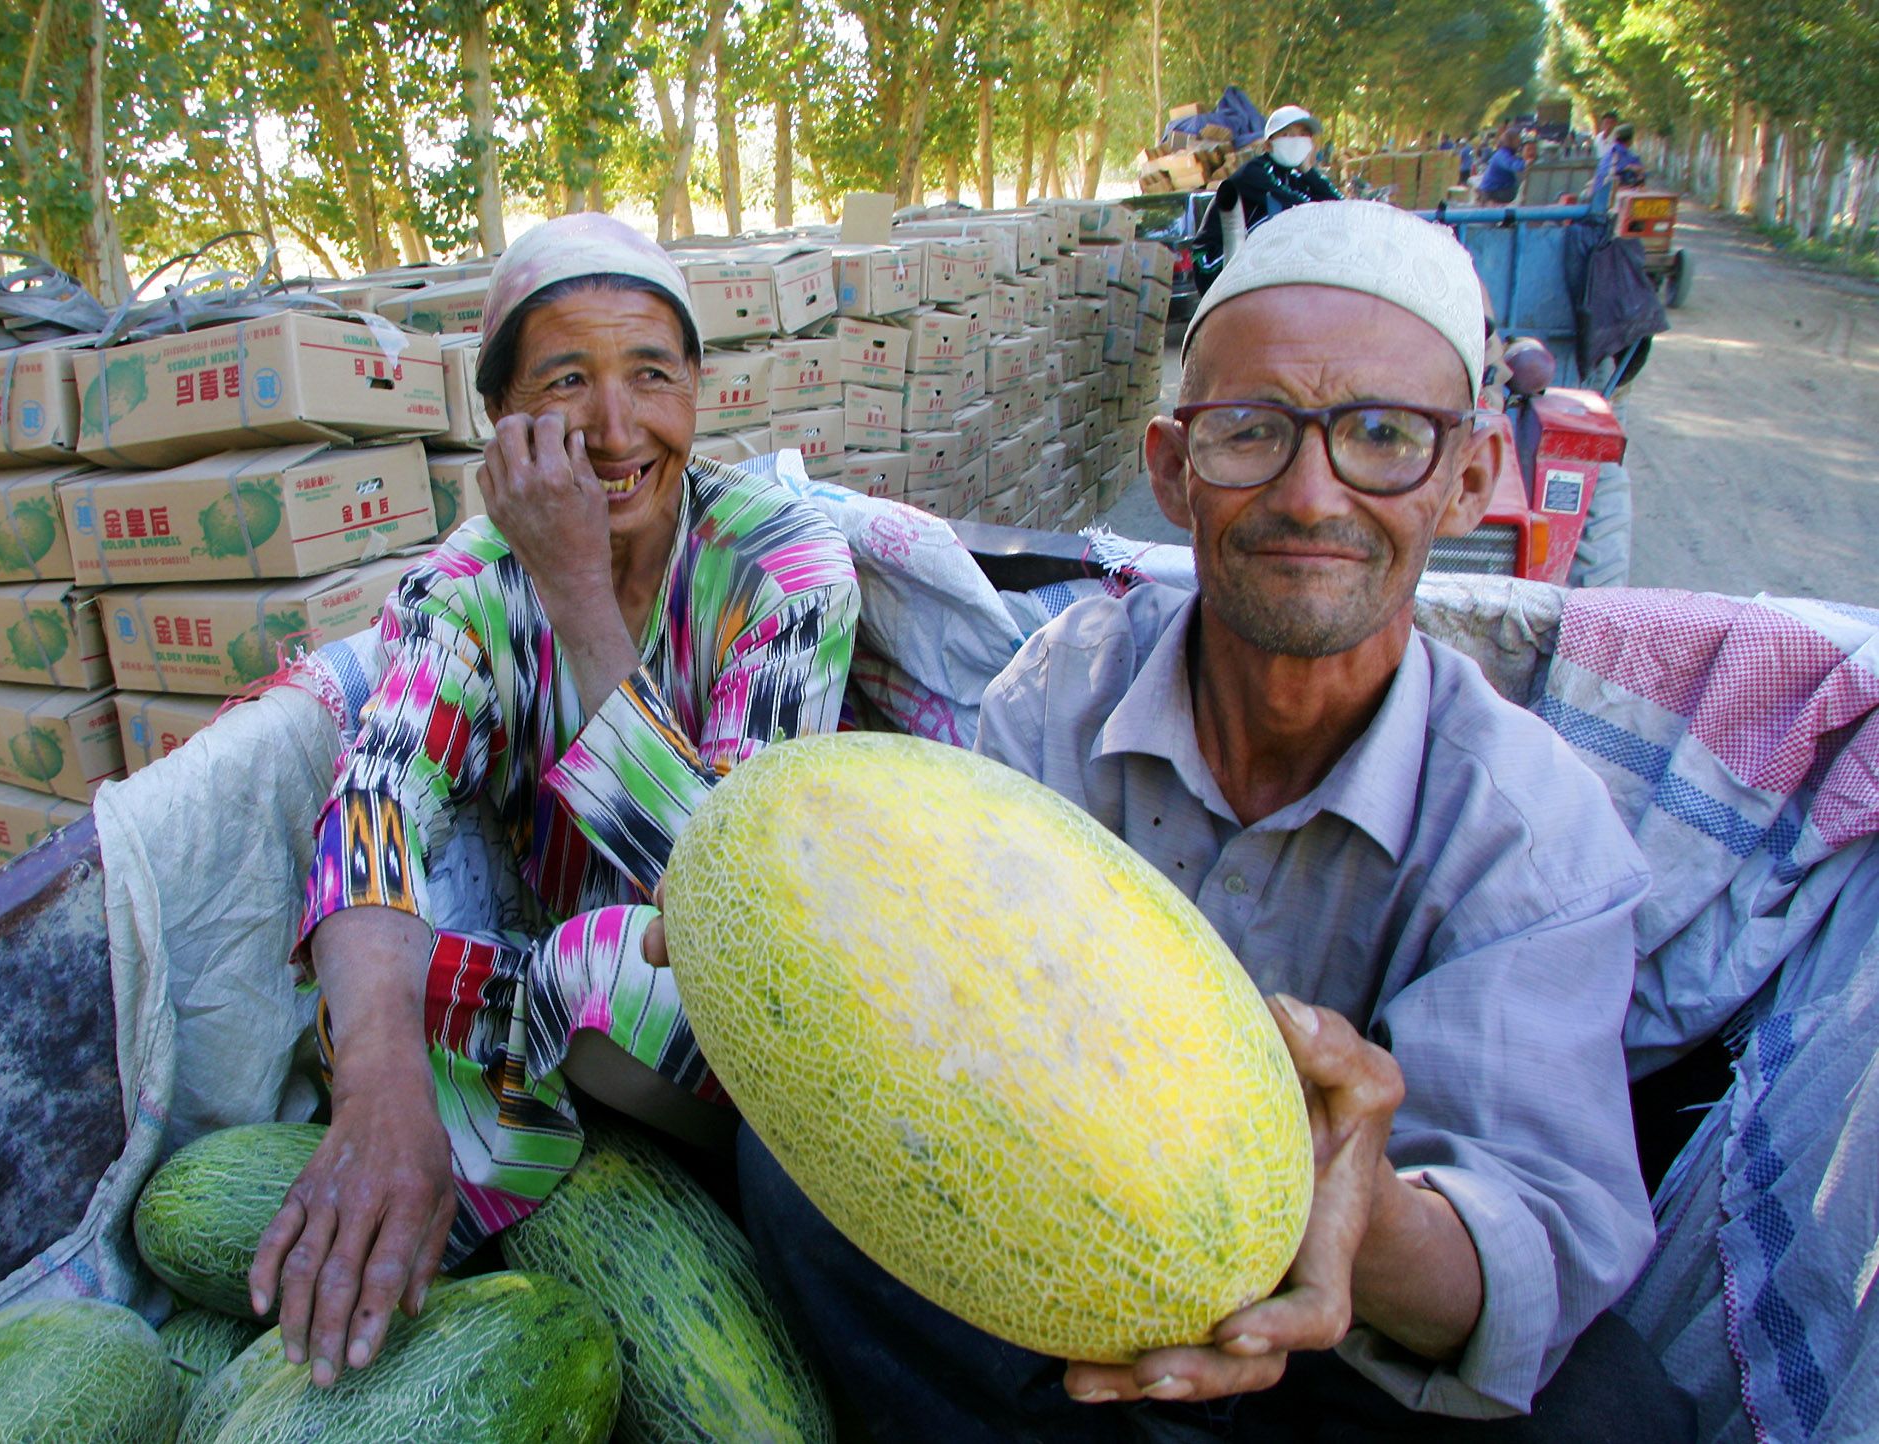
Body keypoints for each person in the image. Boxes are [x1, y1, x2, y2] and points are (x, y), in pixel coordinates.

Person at [727, 201, 1697, 1443]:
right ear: (1173, 470)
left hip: (1348, 1359)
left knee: (1614, 1417)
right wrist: (794, 942)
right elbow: (953, 1015)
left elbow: (1528, 1257)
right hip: (1065, 1290)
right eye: (1250, 432)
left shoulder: (1531, 835)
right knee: (795, 1177)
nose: (1310, 494)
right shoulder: (1059, 699)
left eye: (1384, 436)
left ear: (1471, 476)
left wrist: (1353, 1214)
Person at [249, 211, 860, 1388]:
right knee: (380, 995)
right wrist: (378, 1092)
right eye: (569, 380)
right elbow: (377, 797)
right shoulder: (465, 585)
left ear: (698, 391)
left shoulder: (785, 564)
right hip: (564, 1013)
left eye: (652, 376)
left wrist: (580, 587)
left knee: (603, 967)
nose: (619, 428)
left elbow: (735, 897)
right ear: (505, 419)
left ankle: (703, 1199)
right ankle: (466, 1179)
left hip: (749, 1007)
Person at [1190, 104, 1340, 295]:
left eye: (1303, 135)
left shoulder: (1293, 177)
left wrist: (1309, 171)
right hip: (1212, 261)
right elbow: (1302, 209)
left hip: (1247, 262)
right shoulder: (1255, 172)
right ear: (1268, 144)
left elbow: (1338, 206)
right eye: (1287, 135)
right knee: (1280, 221)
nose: (1296, 141)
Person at [1474, 127, 1527, 203]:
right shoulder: (1502, 154)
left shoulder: (1506, 153)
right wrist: (1526, 163)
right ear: (1510, 141)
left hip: (1498, 190)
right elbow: (1512, 165)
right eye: (1517, 138)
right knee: (1523, 189)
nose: (1520, 140)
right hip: (1494, 192)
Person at [1593, 123, 1647, 195]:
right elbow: (1642, 173)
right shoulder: (1629, 157)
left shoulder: (1608, 155)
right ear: (1630, 140)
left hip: (1598, 197)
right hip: (1616, 198)